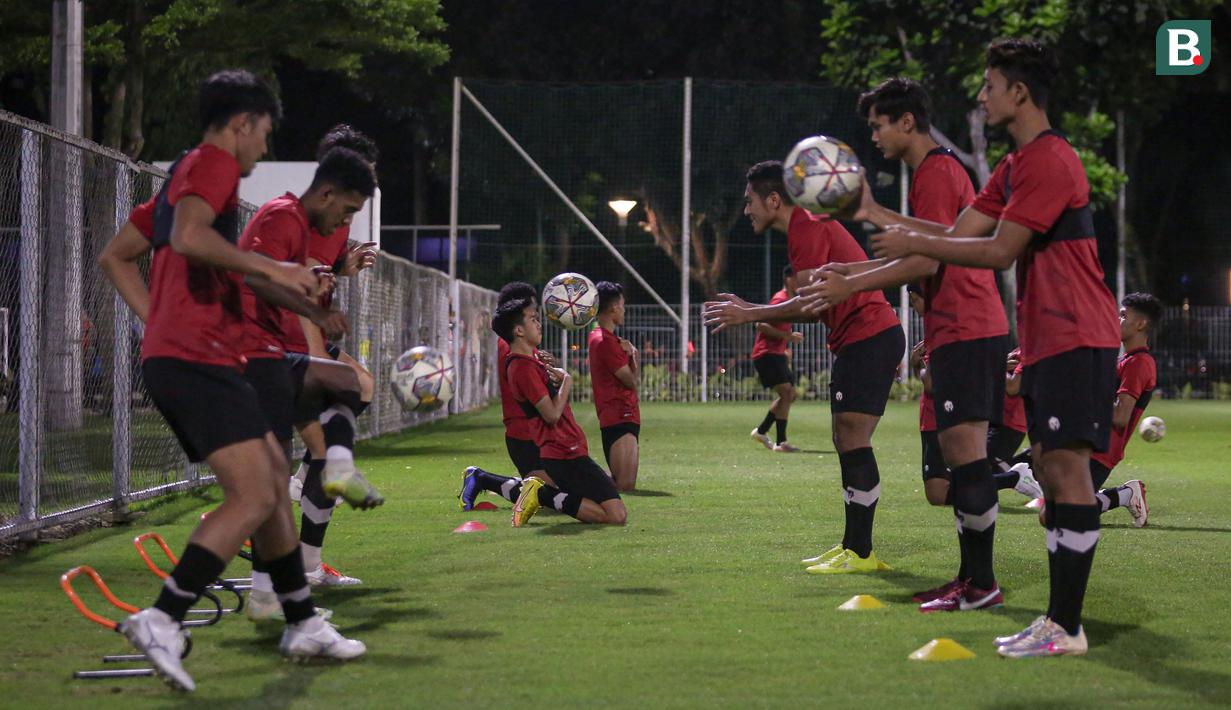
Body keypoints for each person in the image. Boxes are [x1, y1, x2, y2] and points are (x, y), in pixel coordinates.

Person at [96, 70, 364, 691]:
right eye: (264, 134)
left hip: (197, 355)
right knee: (252, 496)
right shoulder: (213, 164)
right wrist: (275, 267)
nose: (263, 149)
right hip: (197, 360)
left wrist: (162, 321)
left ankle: (301, 621)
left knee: (271, 478)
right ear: (242, 124)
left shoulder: (183, 178)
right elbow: (191, 240)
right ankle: (162, 618)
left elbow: (117, 255)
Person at [853, 39, 1120, 657]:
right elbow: (958, 232)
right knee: (1052, 469)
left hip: (1079, 332)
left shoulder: (1051, 159)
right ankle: (1055, 621)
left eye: (989, 85)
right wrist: (876, 212)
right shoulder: (1014, 164)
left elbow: (997, 251)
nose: (981, 97)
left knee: (1067, 473)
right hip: (1047, 337)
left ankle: (1065, 626)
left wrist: (906, 244)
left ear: (1018, 92)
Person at [799, 77, 1011, 611]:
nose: (873, 136)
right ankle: (970, 579)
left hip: (966, 326)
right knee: (962, 459)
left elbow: (926, 261)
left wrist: (852, 284)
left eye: (878, 125)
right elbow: (925, 248)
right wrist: (854, 264)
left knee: (966, 459)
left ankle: (981, 584)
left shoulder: (936, 172)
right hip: (963, 326)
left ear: (907, 122)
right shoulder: (936, 171)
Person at [704, 162, 904, 575]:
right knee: (845, 438)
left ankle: (861, 552)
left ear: (774, 200)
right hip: (863, 338)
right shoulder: (805, 227)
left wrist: (749, 312)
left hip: (868, 336)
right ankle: (853, 546)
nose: (746, 210)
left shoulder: (806, 226)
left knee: (852, 438)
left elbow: (814, 304)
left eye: (749, 201)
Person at [235, 146, 380, 620]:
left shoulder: (299, 225)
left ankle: (269, 594)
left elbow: (284, 281)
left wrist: (323, 285)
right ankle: (329, 468)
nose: (347, 222)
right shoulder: (282, 216)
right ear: (327, 192)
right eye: (347, 210)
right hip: (251, 353)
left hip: (267, 354)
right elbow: (255, 278)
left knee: (271, 485)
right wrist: (313, 312)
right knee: (346, 384)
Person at [284, 125, 382, 589]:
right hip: (284, 341)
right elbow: (294, 281)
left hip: (305, 335)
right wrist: (316, 356)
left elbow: (319, 271)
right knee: (328, 458)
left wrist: (345, 266)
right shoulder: (294, 218)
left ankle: (301, 566)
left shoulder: (334, 222)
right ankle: (296, 576)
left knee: (363, 386)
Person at [462, 297, 627, 526]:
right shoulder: (522, 367)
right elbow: (551, 415)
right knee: (616, 516)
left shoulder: (529, 362)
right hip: (563, 453)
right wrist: (566, 381)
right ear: (519, 330)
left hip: (565, 450)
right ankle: (540, 494)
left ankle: (539, 492)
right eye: (533, 320)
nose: (539, 324)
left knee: (606, 509)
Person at [458, 281, 558, 511]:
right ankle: (482, 479)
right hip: (525, 435)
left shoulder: (523, 347)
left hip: (535, 433)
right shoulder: (511, 348)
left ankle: (482, 478)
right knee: (552, 498)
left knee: (561, 494)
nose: (536, 318)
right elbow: (529, 386)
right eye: (531, 312)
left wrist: (550, 367)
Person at [1090, 293, 1160, 526]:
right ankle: (1124, 495)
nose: (1116, 320)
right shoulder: (1125, 360)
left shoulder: (1139, 363)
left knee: (1063, 514)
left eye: (1122, 316)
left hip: (1102, 451)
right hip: (1088, 443)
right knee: (1058, 507)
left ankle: (1126, 495)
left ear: (1140, 324)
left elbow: (1120, 416)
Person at [588, 281, 641, 491]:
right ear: (614, 307)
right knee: (625, 485)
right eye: (623, 305)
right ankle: (575, 477)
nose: (624, 310)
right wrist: (634, 355)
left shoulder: (597, 336)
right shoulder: (607, 342)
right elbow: (631, 381)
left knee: (620, 483)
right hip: (621, 415)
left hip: (613, 416)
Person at [750, 266, 804, 453]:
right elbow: (760, 324)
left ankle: (762, 431)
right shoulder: (780, 300)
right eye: (798, 278)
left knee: (790, 395)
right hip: (766, 354)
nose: (801, 282)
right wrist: (787, 337)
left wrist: (785, 346)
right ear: (788, 279)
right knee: (787, 394)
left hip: (776, 354)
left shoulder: (789, 300)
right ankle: (780, 442)